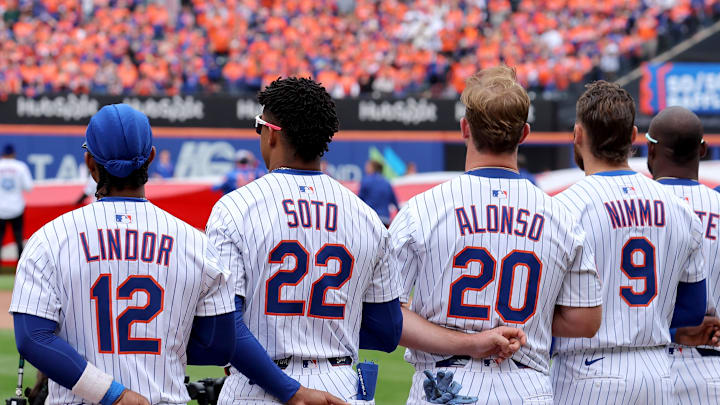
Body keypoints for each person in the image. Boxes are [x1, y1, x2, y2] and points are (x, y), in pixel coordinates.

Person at [207, 77, 526, 404]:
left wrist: (292, 389)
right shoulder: (366, 218)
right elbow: (386, 332)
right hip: (341, 384)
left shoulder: (235, 208)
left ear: (271, 132)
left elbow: (225, 328)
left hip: (260, 385)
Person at [9, 104, 320, 405]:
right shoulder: (195, 244)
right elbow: (219, 347)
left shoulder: (48, 240)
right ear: (152, 158)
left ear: (90, 163)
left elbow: (33, 339)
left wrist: (112, 393)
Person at [390, 66, 603, 404]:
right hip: (525, 384)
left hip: (444, 384)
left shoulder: (422, 209)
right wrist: (531, 317)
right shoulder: (562, 216)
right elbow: (585, 320)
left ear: (464, 128)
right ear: (524, 134)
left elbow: (388, 316)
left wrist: (470, 339)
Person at [552, 82, 709, 404]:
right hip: (656, 368)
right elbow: (692, 309)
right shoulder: (680, 209)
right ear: (634, 136)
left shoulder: (564, 208)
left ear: (578, 135)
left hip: (586, 369)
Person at [645, 106, 720, 404]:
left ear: (650, 149)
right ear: (703, 150)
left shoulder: (635, 209)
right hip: (710, 367)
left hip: (645, 364)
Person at [0, 144, 33, 262]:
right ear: (13, 154)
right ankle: (20, 267)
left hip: (1, 208)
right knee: (18, 239)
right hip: (16, 207)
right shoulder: (20, 167)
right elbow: (28, 187)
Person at [358, 160, 399, 226]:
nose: (365, 168)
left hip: (370, 219)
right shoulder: (387, 183)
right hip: (385, 220)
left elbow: (359, 201)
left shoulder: (366, 181)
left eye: (368, 166)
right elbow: (395, 202)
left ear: (373, 168)